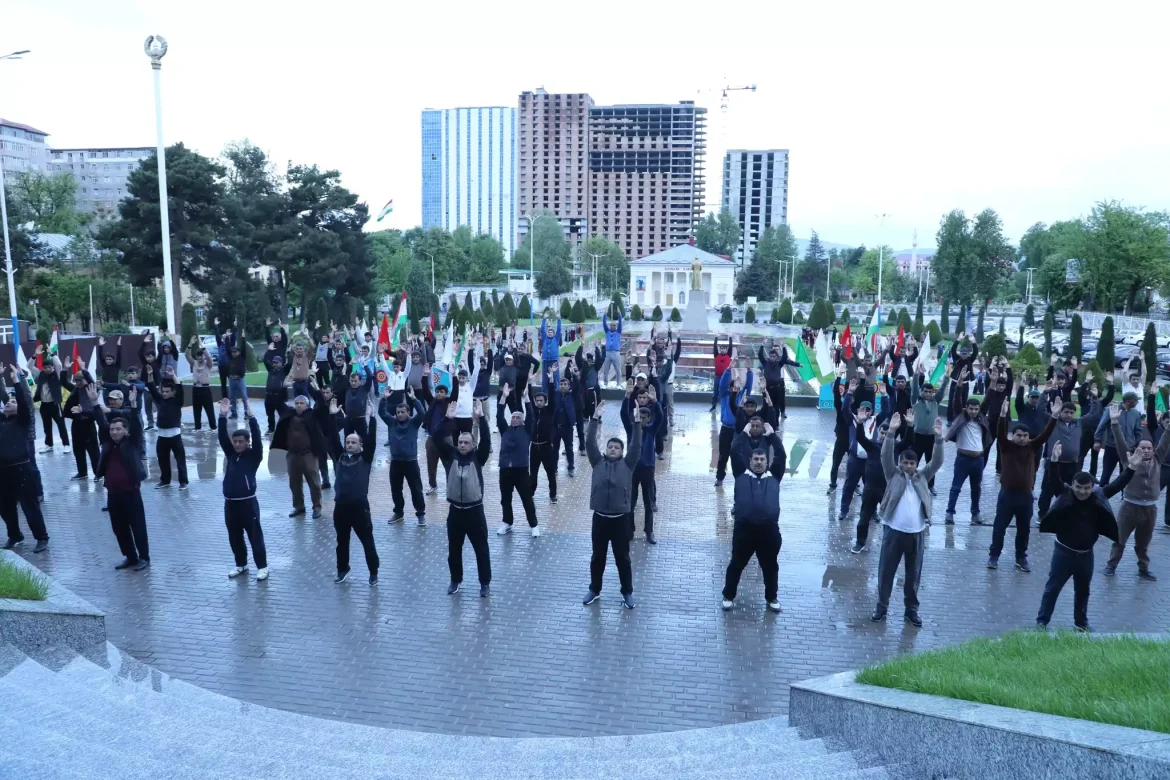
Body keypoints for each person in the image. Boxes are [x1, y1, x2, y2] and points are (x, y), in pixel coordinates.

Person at [1035, 445, 1135, 631]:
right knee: (1053, 588)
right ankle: (1042, 621)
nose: (1082, 491)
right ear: (1072, 485)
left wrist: (1131, 468)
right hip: (1063, 554)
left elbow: (1117, 484)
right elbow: (1053, 480)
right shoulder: (1064, 493)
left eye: (1087, 488)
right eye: (1078, 487)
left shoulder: (1099, 496)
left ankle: (1081, 624)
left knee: (1083, 591)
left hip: (1086, 556)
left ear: (1092, 487)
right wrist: (1054, 461)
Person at [870, 413, 945, 627]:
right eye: (905, 462)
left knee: (913, 575)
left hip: (917, 534)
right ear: (900, 463)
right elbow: (885, 456)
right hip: (893, 532)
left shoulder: (923, 476)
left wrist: (939, 439)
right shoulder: (892, 474)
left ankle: (911, 610)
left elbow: (937, 462)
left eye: (912, 463)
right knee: (886, 572)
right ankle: (881, 607)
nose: (908, 466)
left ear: (916, 464)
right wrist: (891, 433)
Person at [988, 399, 1058, 571]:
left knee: (1024, 529)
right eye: (1019, 435)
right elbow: (1000, 433)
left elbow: (1045, 435)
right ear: (1013, 436)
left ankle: (1021, 557)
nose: (1022, 438)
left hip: (1026, 496)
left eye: (1025, 435)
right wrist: (1002, 415)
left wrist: (1054, 416)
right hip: (1007, 495)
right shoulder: (1006, 446)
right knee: (999, 527)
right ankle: (994, 556)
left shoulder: (1032, 447)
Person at [721, 432, 787, 612]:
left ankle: (772, 598)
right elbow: (734, 450)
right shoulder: (740, 474)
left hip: (769, 531)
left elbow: (781, 454)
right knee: (736, 564)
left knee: (770, 566)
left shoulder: (775, 475)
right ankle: (728, 596)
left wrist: (773, 436)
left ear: (767, 462)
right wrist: (744, 432)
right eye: (756, 459)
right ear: (750, 461)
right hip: (744, 530)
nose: (758, 462)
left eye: (762, 459)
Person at [583, 401, 640, 609]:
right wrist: (595, 418)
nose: (613, 449)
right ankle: (595, 590)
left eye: (617, 447)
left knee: (622, 559)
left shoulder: (628, 464)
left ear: (622, 451)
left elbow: (636, 446)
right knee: (598, 557)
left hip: (620, 521)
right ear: (605, 450)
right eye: (610, 447)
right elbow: (590, 443)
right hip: (599, 519)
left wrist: (636, 423)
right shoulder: (597, 462)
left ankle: (627, 592)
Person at [1104, 402, 1170, 581]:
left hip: (1150, 509)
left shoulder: (1157, 459)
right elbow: (1120, 443)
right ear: (1136, 449)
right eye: (1142, 448)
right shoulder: (1129, 460)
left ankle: (1143, 569)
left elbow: (1165, 440)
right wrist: (1115, 423)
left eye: (1149, 448)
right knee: (1120, 539)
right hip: (1130, 507)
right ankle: (1111, 565)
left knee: (1143, 543)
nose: (1146, 451)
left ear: (1153, 450)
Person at [434, 401, 493, 597]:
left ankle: (484, 583)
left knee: (481, 550)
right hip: (455, 513)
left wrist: (481, 418)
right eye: (460, 442)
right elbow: (436, 437)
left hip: (475, 512)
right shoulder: (450, 455)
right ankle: (455, 580)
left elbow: (486, 440)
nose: (462, 445)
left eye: (466, 442)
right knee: (454, 550)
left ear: (473, 445)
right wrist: (446, 419)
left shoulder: (478, 457)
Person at [93, 392, 150, 571]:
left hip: (131, 492)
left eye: (118, 429)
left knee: (137, 526)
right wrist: (95, 403)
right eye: (112, 429)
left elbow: (137, 425)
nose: (114, 432)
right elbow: (101, 422)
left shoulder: (132, 442)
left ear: (126, 430)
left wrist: (133, 406)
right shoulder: (108, 443)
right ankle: (130, 557)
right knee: (119, 528)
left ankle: (144, 557)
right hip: (113, 494)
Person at [0, 365, 50, 553]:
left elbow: (24, 400)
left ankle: (41, 537)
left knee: (29, 506)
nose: (9, 403)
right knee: (5, 506)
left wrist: (16, 381)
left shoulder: (22, 421)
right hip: (2, 471)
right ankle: (15, 535)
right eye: (7, 402)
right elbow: (3, 396)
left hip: (21, 469)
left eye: (13, 402)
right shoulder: (1, 421)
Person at [217, 398, 268, 580]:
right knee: (234, 536)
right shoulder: (231, 454)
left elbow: (257, 437)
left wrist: (252, 417)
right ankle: (241, 565)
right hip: (230, 504)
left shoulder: (254, 456)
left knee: (255, 536)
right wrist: (222, 416)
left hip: (248, 504)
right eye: (235, 441)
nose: (237, 444)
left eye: (240, 441)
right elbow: (222, 437)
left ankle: (262, 567)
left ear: (247, 442)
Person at [331, 404, 380, 585]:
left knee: (367, 541)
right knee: (342, 541)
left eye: (353, 442)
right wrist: (332, 417)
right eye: (348, 442)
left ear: (360, 445)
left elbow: (372, 441)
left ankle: (373, 572)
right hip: (340, 507)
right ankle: (342, 569)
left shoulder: (365, 458)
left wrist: (372, 419)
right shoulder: (340, 457)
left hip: (359, 508)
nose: (350, 444)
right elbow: (333, 438)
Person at [621, 384, 664, 544]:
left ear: (649, 419)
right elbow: (623, 414)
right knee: (630, 503)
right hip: (632, 469)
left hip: (647, 469)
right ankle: (629, 531)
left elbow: (660, 417)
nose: (642, 420)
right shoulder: (631, 429)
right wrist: (627, 397)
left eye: (645, 418)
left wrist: (655, 402)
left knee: (648, 503)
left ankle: (649, 532)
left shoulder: (652, 430)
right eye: (639, 417)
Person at [272, 394, 326, 519]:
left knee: (314, 482)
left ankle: (317, 506)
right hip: (292, 454)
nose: (299, 406)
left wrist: (317, 390)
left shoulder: (312, 415)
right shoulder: (289, 414)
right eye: (297, 403)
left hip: (309, 454)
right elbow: (278, 402)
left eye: (302, 403)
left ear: (307, 405)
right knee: (294, 482)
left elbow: (323, 407)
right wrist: (282, 388)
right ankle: (299, 507)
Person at [379, 386, 427, 526]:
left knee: (416, 490)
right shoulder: (392, 422)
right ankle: (398, 513)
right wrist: (384, 398)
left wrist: (414, 399)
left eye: (402, 412)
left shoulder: (414, 423)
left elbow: (422, 413)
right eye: (398, 412)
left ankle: (420, 514)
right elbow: (381, 412)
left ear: (408, 413)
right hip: (396, 462)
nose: (399, 414)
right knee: (396, 489)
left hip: (411, 462)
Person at [495, 383, 538, 536]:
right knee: (505, 498)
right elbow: (499, 416)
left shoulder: (527, 430)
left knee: (526, 498)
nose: (514, 419)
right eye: (512, 417)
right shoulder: (505, 430)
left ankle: (534, 525)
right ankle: (507, 522)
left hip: (521, 470)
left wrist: (526, 399)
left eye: (517, 418)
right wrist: (503, 397)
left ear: (522, 420)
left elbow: (531, 415)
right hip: (505, 469)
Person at [943, 397, 993, 525]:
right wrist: (959, 386)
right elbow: (956, 401)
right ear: (966, 408)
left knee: (976, 488)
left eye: (976, 409)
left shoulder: (982, 419)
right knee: (956, 487)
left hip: (978, 459)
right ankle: (950, 512)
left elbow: (987, 401)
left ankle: (975, 513)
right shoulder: (961, 417)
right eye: (971, 409)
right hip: (963, 459)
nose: (973, 411)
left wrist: (992, 386)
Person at [145, 365, 189, 489]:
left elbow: (180, 387)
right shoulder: (160, 400)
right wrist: (150, 374)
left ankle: (183, 482)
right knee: (162, 460)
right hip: (162, 436)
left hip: (175, 436)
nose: (164, 393)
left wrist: (173, 375)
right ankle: (165, 480)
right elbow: (152, 388)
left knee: (180, 460)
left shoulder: (177, 401)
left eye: (167, 391)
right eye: (163, 391)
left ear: (172, 392)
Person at [1038, 402, 1083, 517]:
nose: (1069, 415)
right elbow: (1040, 410)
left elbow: (1094, 415)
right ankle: (1042, 514)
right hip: (1054, 463)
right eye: (1066, 412)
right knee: (1047, 491)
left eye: (1071, 413)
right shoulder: (1053, 422)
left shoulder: (1078, 423)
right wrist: (1045, 394)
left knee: (1071, 491)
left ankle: (1067, 514)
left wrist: (1094, 397)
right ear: (1061, 412)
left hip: (1072, 465)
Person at [1093, 391, 1143, 484]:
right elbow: (1101, 426)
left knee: (1125, 475)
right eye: (1136, 400)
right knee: (1106, 474)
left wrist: (1136, 443)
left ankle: (1124, 493)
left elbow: (1138, 431)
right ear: (1128, 401)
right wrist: (1097, 440)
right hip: (1112, 448)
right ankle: (1102, 491)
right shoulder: (1112, 410)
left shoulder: (1136, 413)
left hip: (1128, 449)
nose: (1137, 402)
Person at [715, 366, 753, 487]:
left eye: (736, 387)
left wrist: (749, 372)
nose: (734, 389)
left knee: (739, 456)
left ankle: (741, 478)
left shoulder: (742, 396)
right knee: (723, 455)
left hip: (738, 431)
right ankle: (719, 478)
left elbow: (748, 387)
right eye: (732, 387)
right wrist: (728, 370)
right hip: (726, 429)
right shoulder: (725, 396)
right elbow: (722, 384)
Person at [61, 366, 101, 480]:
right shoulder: (75, 389)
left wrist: (84, 369)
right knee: (78, 449)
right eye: (76, 380)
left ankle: (98, 473)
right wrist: (64, 369)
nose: (78, 383)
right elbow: (63, 382)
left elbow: (90, 380)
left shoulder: (91, 388)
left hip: (88, 422)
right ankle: (82, 472)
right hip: (77, 422)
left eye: (80, 380)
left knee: (93, 450)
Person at [28, 346, 69, 452]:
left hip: (55, 404)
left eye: (49, 367)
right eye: (45, 367)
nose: (47, 369)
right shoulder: (40, 374)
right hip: (44, 405)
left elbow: (59, 364)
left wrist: (52, 354)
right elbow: (29, 366)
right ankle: (49, 445)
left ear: (52, 367)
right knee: (47, 426)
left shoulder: (57, 374)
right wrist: (35, 355)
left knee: (61, 425)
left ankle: (66, 445)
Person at [839, 398, 874, 521]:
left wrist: (885, 395)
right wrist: (849, 393)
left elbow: (887, 411)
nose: (865, 412)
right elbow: (844, 408)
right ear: (858, 409)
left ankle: (872, 512)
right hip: (855, 459)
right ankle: (844, 511)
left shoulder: (875, 420)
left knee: (871, 488)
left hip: (869, 461)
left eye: (868, 410)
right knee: (849, 486)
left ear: (871, 411)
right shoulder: (853, 419)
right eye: (863, 409)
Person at [528, 372, 558, 503]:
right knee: (533, 473)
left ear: (545, 402)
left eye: (541, 400)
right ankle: (531, 492)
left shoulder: (549, 411)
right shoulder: (533, 411)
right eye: (537, 401)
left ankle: (553, 495)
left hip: (546, 447)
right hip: (534, 447)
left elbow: (552, 396)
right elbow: (528, 397)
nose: (539, 402)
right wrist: (529, 383)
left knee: (550, 472)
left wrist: (551, 380)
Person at [827, 376, 857, 493]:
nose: (848, 399)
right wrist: (839, 377)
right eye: (846, 397)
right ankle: (833, 485)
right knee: (835, 464)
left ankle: (855, 486)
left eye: (851, 398)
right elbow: (836, 394)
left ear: (853, 400)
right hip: (840, 441)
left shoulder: (857, 411)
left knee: (855, 465)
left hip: (852, 442)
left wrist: (862, 378)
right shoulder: (840, 408)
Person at [423, 382, 454, 494]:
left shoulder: (449, 403)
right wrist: (425, 376)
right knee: (431, 464)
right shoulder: (432, 403)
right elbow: (426, 391)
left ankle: (451, 487)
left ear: (446, 394)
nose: (439, 394)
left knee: (448, 464)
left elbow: (455, 392)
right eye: (437, 392)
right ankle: (432, 485)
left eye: (441, 392)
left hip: (445, 439)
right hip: (431, 439)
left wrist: (454, 377)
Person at [758, 341, 798, 420]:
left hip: (776, 387)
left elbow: (785, 357)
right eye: (771, 356)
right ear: (769, 356)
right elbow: (760, 355)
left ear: (776, 357)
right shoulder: (765, 363)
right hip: (767, 387)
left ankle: (776, 421)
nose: (772, 358)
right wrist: (762, 345)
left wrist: (783, 347)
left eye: (774, 356)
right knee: (766, 403)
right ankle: (765, 419)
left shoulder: (779, 364)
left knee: (776, 405)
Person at [185, 335, 217, 431]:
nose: (200, 357)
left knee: (209, 409)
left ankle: (213, 427)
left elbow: (209, 357)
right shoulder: (194, 363)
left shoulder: (208, 364)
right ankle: (197, 427)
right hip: (196, 388)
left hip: (205, 389)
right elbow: (187, 355)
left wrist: (203, 347)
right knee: (196, 409)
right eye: (198, 356)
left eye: (201, 355)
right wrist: (190, 344)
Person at [263, 347, 290, 435]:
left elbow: (290, 363)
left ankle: (284, 428)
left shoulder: (284, 371)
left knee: (282, 413)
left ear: (281, 363)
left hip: (278, 396)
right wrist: (269, 350)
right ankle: (271, 428)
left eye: (277, 362)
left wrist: (289, 353)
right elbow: (265, 360)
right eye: (274, 362)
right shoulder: (270, 370)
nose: (274, 364)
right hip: (269, 396)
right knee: (270, 414)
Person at [599, 309, 623, 386]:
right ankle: (605, 383)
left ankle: (619, 384)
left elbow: (620, 323)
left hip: (616, 353)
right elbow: (604, 323)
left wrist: (619, 314)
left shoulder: (618, 332)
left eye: (614, 325)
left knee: (618, 370)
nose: (612, 326)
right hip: (608, 353)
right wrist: (605, 314)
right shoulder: (607, 331)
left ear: (616, 326)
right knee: (606, 370)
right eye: (611, 325)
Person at [710, 335, 734, 412]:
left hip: (727, 377)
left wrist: (730, 338)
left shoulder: (729, 355)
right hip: (718, 377)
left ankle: (729, 406)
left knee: (728, 392)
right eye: (721, 348)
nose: (722, 350)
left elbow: (731, 346)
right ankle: (713, 406)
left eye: (724, 348)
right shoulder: (716, 355)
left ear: (726, 350)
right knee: (715, 392)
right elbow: (714, 346)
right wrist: (716, 338)